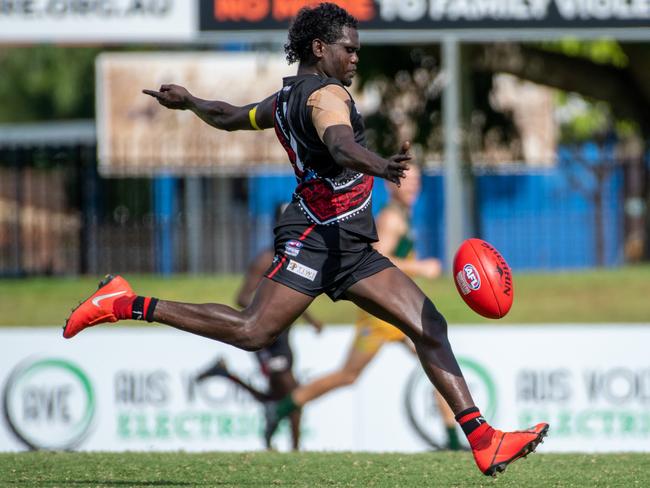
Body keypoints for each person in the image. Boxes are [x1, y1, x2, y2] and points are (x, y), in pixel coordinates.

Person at [63, 3, 548, 476]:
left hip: (350, 246)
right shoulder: (326, 97)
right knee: (252, 331)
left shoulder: (284, 100)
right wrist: (382, 165)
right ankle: (124, 302)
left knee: (429, 326)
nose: (355, 57)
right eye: (348, 49)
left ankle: (484, 440)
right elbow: (339, 143)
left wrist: (190, 102)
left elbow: (231, 116)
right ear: (320, 48)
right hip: (316, 236)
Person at [264, 164, 462, 450]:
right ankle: (454, 441)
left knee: (350, 375)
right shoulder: (391, 219)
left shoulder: (402, 216)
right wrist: (421, 266)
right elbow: (378, 258)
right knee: (434, 355)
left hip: (386, 312)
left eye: (417, 180)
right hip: (385, 314)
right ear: (391, 185)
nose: (414, 186)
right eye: (408, 181)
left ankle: (283, 407)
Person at [196, 203, 323, 451]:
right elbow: (242, 297)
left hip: (284, 336)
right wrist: (267, 311)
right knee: (292, 397)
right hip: (269, 339)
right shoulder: (266, 259)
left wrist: (311, 320)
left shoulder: (295, 256)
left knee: (278, 398)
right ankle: (295, 452)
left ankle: (224, 374)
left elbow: (293, 297)